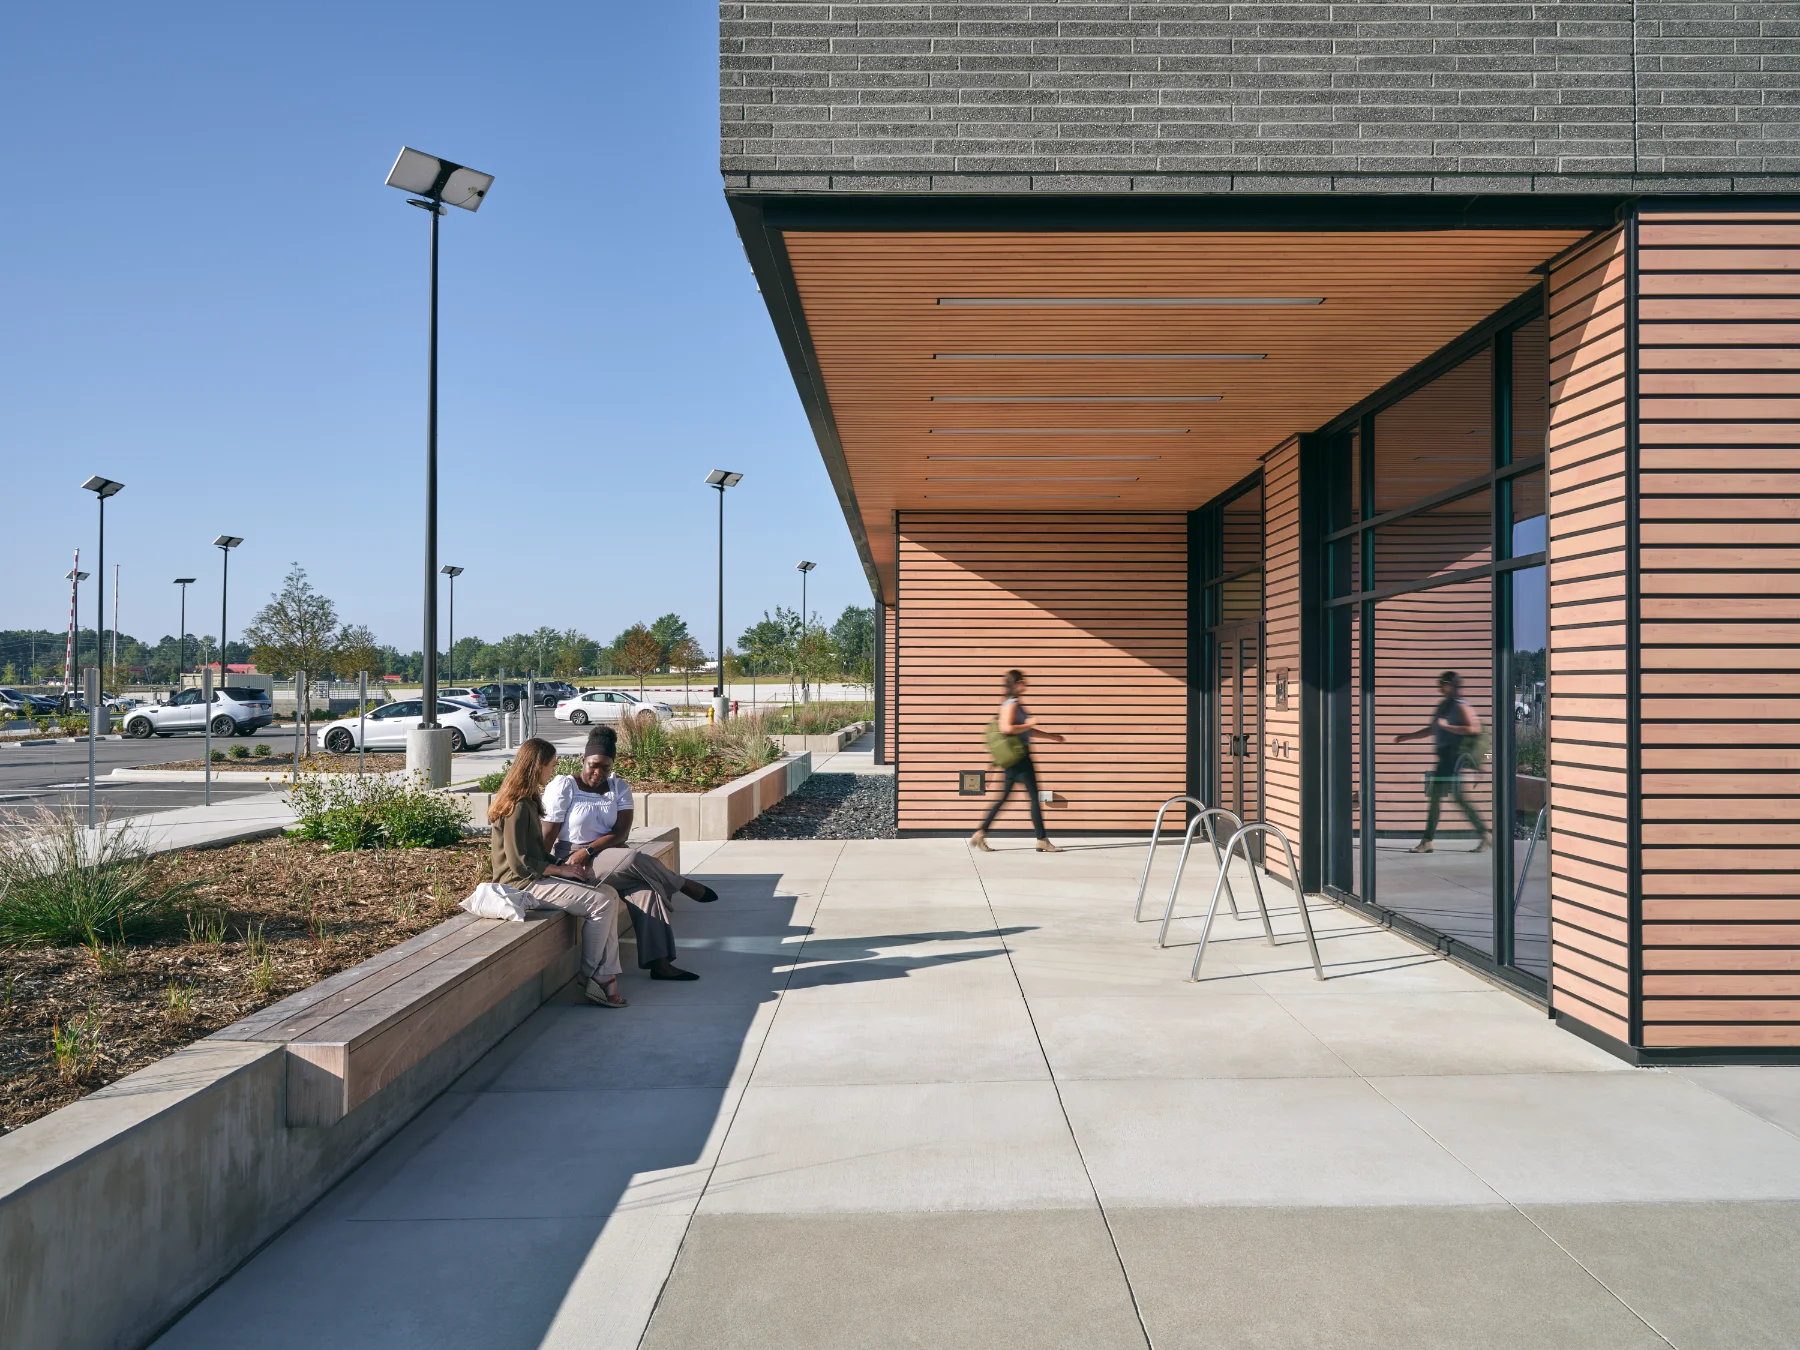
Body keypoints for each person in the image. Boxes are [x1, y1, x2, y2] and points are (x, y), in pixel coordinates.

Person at [542, 725, 720, 982]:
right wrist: (547, 869)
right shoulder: (565, 786)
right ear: (583, 760)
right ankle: (681, 883)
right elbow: (548, 834)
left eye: (605, 767)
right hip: (573, 857)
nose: (598, 772)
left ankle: (661, 965)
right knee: (635, 859)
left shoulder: (618, 787)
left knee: (646, 892)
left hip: (609, 853)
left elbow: (622, 833)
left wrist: (592, 849)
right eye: (593, 765)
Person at [488, 737, 628, 1007]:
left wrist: (569, 868)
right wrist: (561, 870)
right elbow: (521, 864)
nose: (553, 771)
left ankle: (605, 972)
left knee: (609, 893)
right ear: (537, 766)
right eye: (551, 766)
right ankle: (590, 974)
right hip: (520, 885)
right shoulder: (516, 806)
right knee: (600, 903)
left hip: (533, 877)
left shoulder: (527, 801)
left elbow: (536, 853)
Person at [1393, 669, 1491, 853]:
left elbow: (1474, 728)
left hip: (1453, 759)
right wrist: (1408, 736)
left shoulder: (1461, 705)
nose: (1440, 685)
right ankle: (1481, 834)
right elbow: (1433, 729)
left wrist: (1448, 726)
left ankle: (1429, 840)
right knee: (1448, 798)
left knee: (1448, 798)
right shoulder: (1444, 706)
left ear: (1452, 685)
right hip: (1445, 759)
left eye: (1443, 682)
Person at [970, 669, 1065, 853]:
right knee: (1034, 798)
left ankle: (981, 832)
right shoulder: (1012, 704)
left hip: (1013, 760)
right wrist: (1030, 723)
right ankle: (1042, 839)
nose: (1026, 683)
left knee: (1003, 799)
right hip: (1021, 758)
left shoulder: (1009, 703)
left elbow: (1024, 731)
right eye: (1023, 680)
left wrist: (1051, 737)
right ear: (1016, 683)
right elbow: (1007, 728)